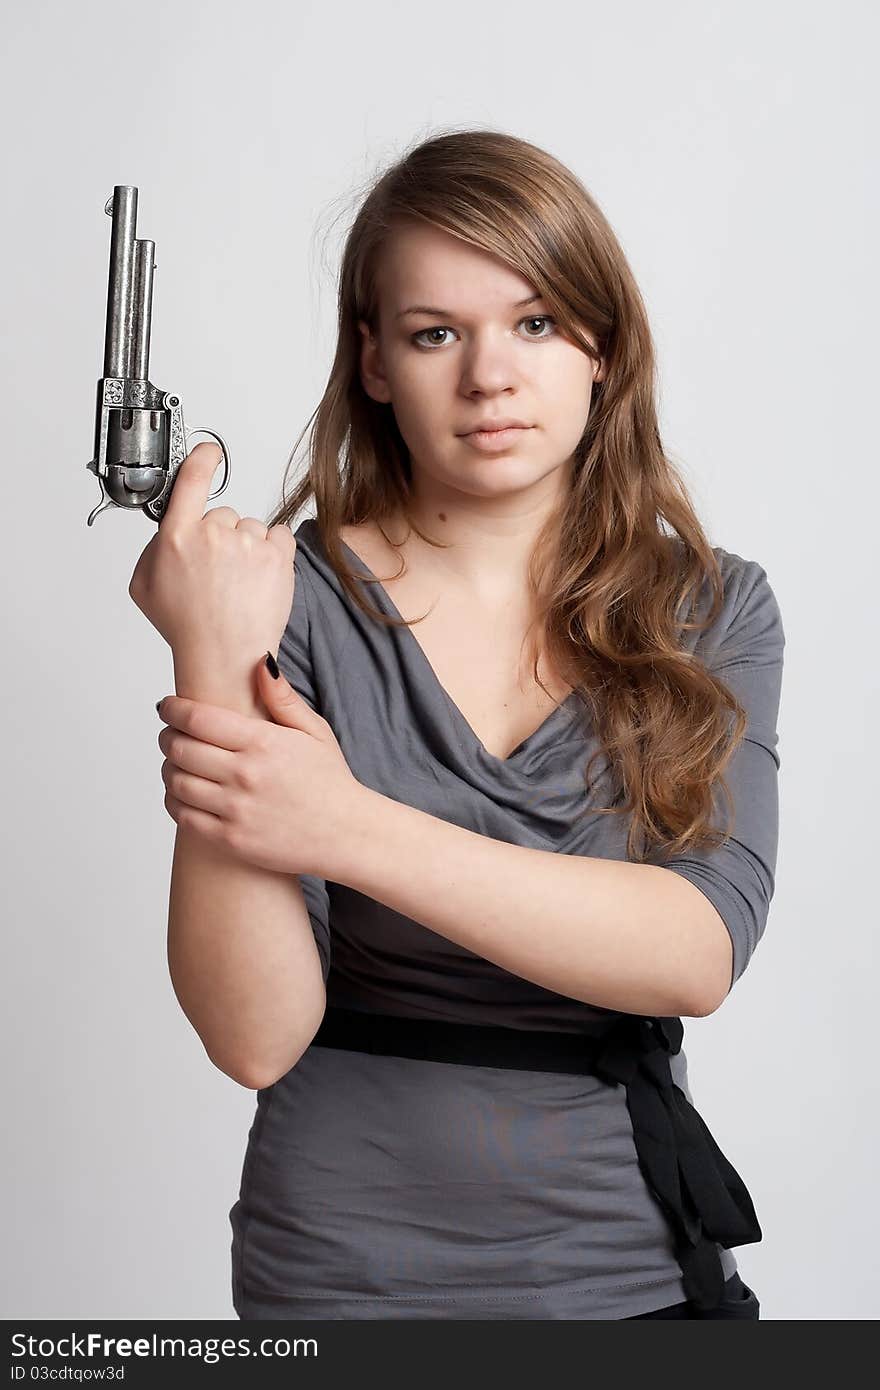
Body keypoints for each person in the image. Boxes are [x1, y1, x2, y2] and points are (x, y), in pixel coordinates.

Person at [133, 129, 784, 1320]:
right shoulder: (293, 602)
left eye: (534, 323)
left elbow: (693, 951)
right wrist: (210, 656)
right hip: (341, 1281)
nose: (489, 374)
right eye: (437, 332)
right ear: (375, 361)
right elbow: (256, 1036)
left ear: (600, 344)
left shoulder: (712, 605)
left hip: (630, 1273)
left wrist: (342, 825)